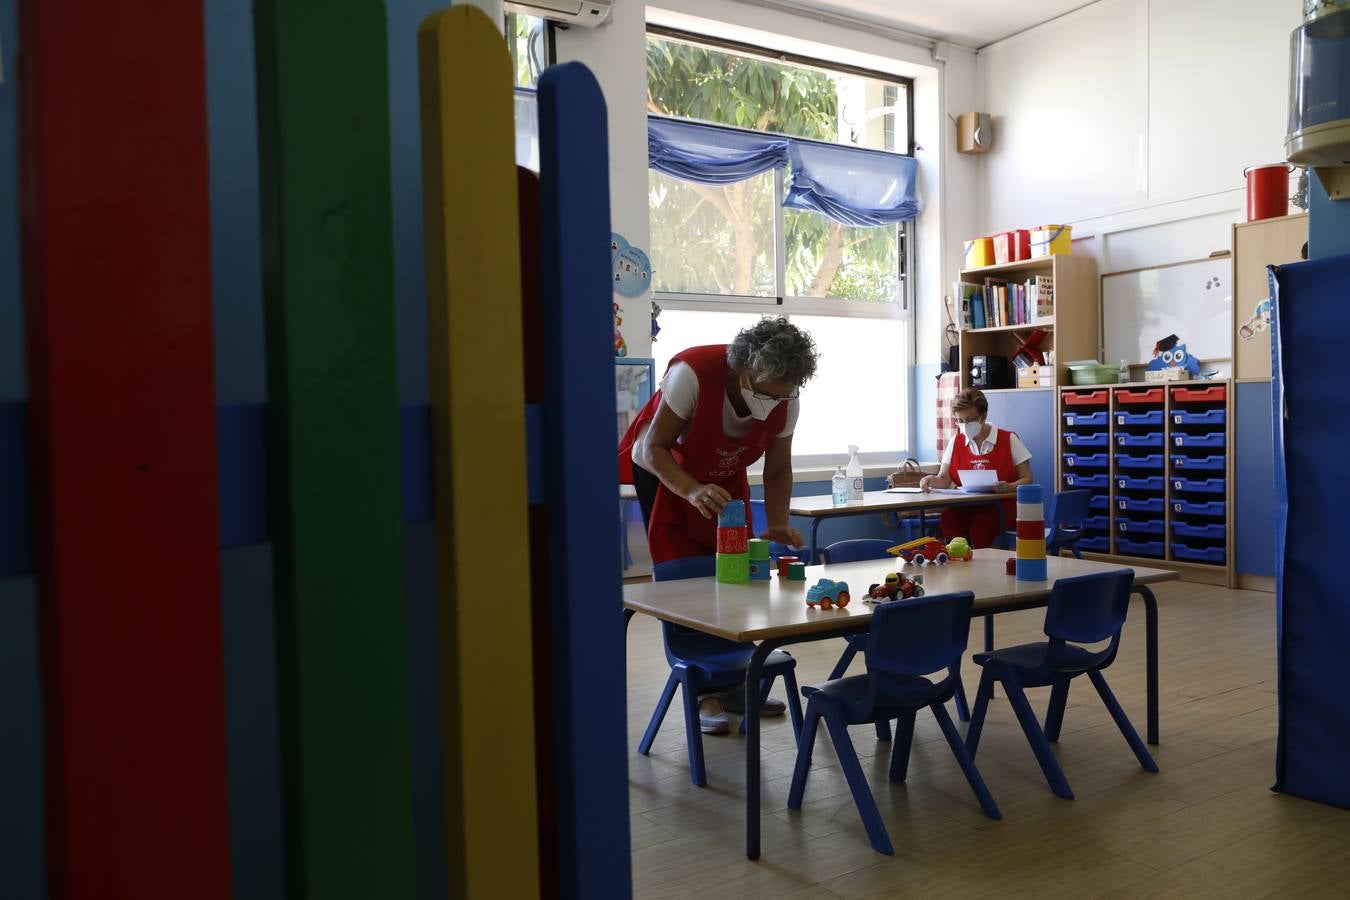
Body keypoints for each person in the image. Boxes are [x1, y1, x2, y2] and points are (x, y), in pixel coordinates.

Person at [619, 317, 818, 734]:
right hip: (665, 468)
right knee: (684, 570)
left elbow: (779, 468)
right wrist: (690, 490)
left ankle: (733, 684)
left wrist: (778, 523)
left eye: (784, 395)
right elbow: (648, 448)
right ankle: (701, 689)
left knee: (734, 570)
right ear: (743, 370)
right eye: (766, 393)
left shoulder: (785, 398)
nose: (774, 403)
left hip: (725, 472)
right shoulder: (691, 375)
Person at [918, 388, 1033, 548]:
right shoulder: (956, 442)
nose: (964, 425)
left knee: (980, 526)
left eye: (969, 420)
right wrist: (931, 480)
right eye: (960, 421)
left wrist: (1009, 487)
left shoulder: (1008, 439)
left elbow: (1027, 478)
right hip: (964, 505)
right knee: (949, 520)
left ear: (983, 416)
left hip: (999, 506)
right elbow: (944, 479)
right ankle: (958, 561)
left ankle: (980, 566)